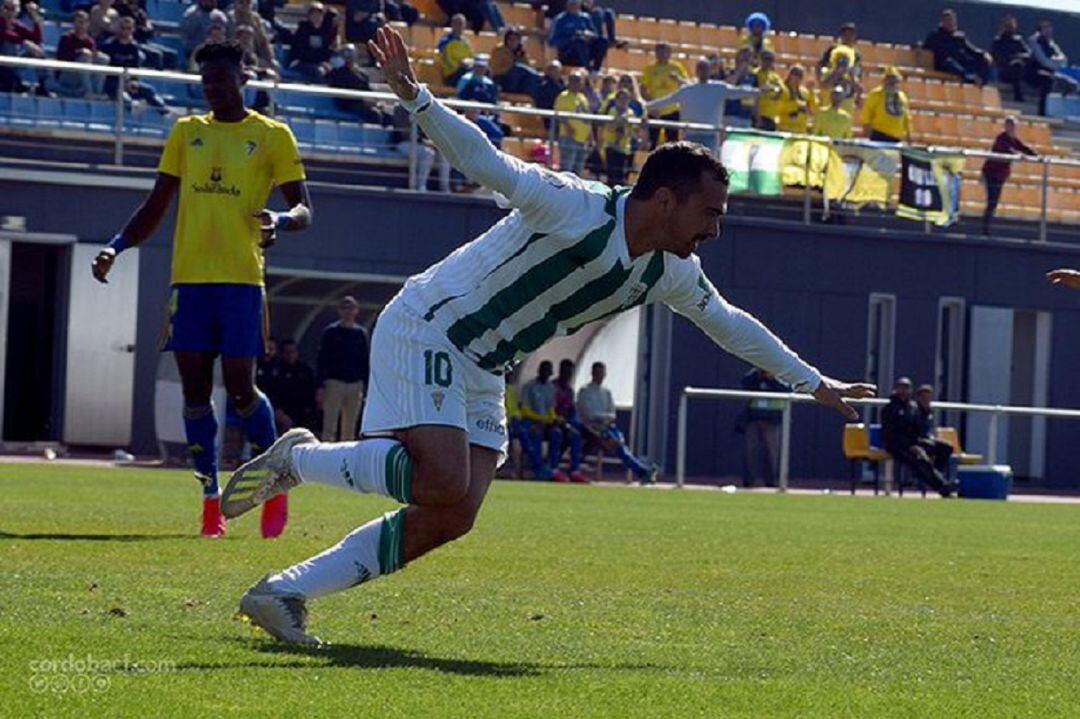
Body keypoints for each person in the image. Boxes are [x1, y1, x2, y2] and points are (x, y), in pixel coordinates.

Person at [221, 27, 875, 645]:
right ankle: (298, 459)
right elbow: (488, 162)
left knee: (453, 512)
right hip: (432, 326)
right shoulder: (576, 205)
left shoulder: (672, 271)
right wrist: (417, 98)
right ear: (667, 200)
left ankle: (282, 594)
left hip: (486, 361)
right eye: (711, 213)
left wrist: (811, 382)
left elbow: (729, 323)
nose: (716, 230)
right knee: (442, 479)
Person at [91, 40, 313, 540]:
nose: (212, 88)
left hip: (241, 280)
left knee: (239, 388)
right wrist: (116, 246)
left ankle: (275, 483)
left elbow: (304, 209)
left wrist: (279, 218)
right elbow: (156, 204)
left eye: (221, 78)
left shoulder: (272, 136)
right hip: (189, 282)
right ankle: (210, 500)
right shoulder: (186, 132)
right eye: (206, 80)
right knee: (194, 393)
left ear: (244, 80)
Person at [645, 57, 757, 152]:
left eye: (706, 69)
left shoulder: (719, 88)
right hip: (690, 135)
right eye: (701, 69)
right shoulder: (687, 90)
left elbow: (740, 92)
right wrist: (646, 106)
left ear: (710, 71)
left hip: (711, 136)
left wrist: (761, 92)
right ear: (696, 71)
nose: (703, 71)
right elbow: (666, 101)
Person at [577, 361, 654, 483]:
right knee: (616, 445)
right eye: (598, 373)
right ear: (592, 373)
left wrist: (605, 418)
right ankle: (643, 471)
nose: (601, 376)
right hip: (590, 428)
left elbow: (612, 413)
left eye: (602, 373)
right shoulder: (585, 391)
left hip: (606, 428)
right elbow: (588, 414)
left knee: (620, 444)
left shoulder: (606, 392)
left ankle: (642, 471)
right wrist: (603, 417)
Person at [880, 378, 955, 497]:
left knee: (946, 448)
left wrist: (925, 412)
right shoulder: (890, 409)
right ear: (896, 389)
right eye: (901, 388)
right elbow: (890, 433)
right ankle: (943, 488)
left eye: (906, 388)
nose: (904, 391)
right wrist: (910, 445)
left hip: (915, 441)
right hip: (897, 445)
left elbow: (921, 429)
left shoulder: (913, 408)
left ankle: (931, 474)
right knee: (921, 459)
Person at [317, 296, 370, 442]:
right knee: (330, 425)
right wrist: (321, 385)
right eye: (345, 308)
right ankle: (326, 456)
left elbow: (365, 360)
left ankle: (346, 459)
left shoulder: (360, 333)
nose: (348, 311)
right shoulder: (331, 332)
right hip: (334, 382)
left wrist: (366, 385)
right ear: (339, 311)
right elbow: (323, 359)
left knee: (350, 427)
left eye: (351, 308)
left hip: (355, 384)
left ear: (357, 311)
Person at [100, 16, 170, 115]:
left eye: (128, 28)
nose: (125, 31)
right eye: (123, 28)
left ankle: (165, 113)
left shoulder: (135, 48)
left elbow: (135, 69)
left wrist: (133, 82)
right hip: (112, 83)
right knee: (124, 98)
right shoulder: (108, 46)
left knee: (149, 90)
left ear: (133, 29)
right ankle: (133, 111)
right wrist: (122, 84)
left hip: (128, 82)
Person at [981, 116, 1036, 235]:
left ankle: (988, 226)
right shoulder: (1001, 138)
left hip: (1000, 175)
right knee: (992, 200)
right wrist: (1019, 155)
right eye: (1010, 125)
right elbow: (1007, 149)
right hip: (992, 173)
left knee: (995, 200)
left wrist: (1035, 156)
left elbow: (1023, 148)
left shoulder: (1014, 140)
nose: (1012, 128)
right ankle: (985, 228)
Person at [739, 367, 790, 488]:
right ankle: (748, 481)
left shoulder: (782, 373)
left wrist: (772, 379)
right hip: (754, 417)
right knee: (750, 451)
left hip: (772, 419)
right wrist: (758, 374)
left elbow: (786, 390)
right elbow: (745, 383)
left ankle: (771, 482)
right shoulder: (755, 374)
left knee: (772, 452)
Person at [519, 360, 567, 481]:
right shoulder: (529, 386)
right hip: (530, 420)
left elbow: (551, 409)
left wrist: (554, 419)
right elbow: (525, 410)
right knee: (535, 433)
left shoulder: (551, 388)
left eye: (548, 370)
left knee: (557, 433)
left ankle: (553, 467)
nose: (546, 373)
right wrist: (541, 420)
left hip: (545, 422)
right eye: (544, 370)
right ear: (539, 370)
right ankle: (538, 468)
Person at [922, 9, 992, 86]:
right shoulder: (935, 35)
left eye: (951, 20)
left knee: (983, 60)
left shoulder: (959, 37)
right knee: (950, 63)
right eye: (947, 21)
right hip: (944, 64)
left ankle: (981, 82)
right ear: (943, 22)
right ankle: (970, 79)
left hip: (960, 63)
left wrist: (983, 54)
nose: (950, 23)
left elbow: (971, 50)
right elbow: (925, 48)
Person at [640, 42, 689, 148]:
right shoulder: (650, 68)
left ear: (669, 52)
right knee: (652, 142)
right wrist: (652, 105)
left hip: (672, 110)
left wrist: (677, 79)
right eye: (659, 51)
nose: (662, 54)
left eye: (664, 51)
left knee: (672, 143)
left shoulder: (677, 67)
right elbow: (643, 89)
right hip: (655, 111)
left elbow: (687, 85)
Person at [53, 9, 110, 99]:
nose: (82, 25)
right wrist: (79, 53)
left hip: (83, 75)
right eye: (79, 22)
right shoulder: (66, 38)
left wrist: (95, 54)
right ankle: (88, 92)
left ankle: (97, 91)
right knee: (85, 56)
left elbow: (92, 57)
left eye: (84, 22)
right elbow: (62, 59)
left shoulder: (89, 41)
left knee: (103, 58)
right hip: (67, 74)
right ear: (74, 23)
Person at [1027, 21, 1079, 117]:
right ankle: (1042, 113)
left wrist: (1055, 62)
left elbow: (1064, 60)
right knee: (1048, 81)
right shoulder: (1035, 42)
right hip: (1036, 72)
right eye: (1045, 30)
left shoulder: (1052, 45)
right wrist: (1055, 62)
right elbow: (1043, 61)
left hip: (1053, 72)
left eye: (1049, 30)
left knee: (1072, 83)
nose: (1048, 32)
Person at [327, 44, 386, 123]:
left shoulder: (361, 74)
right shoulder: (339, 74)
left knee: (388, 115)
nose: (350, 57)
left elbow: (368, 90)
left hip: (365, 101)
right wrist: (363, 101)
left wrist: (375, 101)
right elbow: (343, 93)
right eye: (347, 54)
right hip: (351, 103)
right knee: (374, 114)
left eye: (352, 54)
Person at [270, 340, 319, 432]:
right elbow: (273, 393)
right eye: (287, 352)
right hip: (284, 411)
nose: (290, 355)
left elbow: (313, 388)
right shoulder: (276, 370)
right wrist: (278, 411)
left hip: (304, 410)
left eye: (293, 352)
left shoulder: (305, 369)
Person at [553, 358, 587, 484]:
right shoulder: (553, 387)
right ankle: (553, 469)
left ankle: (574, 471)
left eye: (570, 373)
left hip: (565, 423)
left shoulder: (569, 391)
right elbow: (549, 409)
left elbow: (572, 411)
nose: (568, 375)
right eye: (566, 372)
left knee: (576, 434)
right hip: (551, 422)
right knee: (556, 433)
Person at [0, 0, 44, 94]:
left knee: (38, 52)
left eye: (12, 9)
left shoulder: (16, 25)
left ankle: (43, 85)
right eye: (6, 8)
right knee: (9, 45)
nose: (9, 12)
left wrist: (34, 18)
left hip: (11, 64)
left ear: (18, 11)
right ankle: (12, 82)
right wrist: (24, 42)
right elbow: (5, 34)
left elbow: (36, 40)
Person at [288, 1, 338, 82]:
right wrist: (319, 62)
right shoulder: (303, 30)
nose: (317, 17)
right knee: (319, 72)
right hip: (300, 62)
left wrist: (326, 62)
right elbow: (302, 51)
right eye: (314, 14)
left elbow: (326, 50)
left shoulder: (324, 33)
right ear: (309, 16)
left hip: (318, 63)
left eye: (319, 14)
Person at [549, 0, 605, 72]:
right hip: (568, 52)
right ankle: (586, 68)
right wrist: (572, 38)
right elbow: (552, 41)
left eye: (576, 4)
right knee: (578, 42)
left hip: (586, 49)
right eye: (572, 4)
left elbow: (595, 34)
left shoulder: (585, 17)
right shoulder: (560, 19)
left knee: (602, 41)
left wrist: (589, 35)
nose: (574, 7)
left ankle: (595, 69)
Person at [913, 384, 954, 484]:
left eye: (928, 397)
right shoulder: (913, 410)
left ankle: (937, 473)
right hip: (915, 440)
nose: (926, 400)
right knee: (926, 449)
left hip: (926, 439)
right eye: (924, 397)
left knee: (947, 447)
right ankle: (926, 474)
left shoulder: (928, 411)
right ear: (918, 397)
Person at [860, 66, 911, 144]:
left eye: (896, 81)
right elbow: (867, 114)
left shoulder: (902, 97)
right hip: (879, 136)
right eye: (890, 80)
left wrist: (909, 136)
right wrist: (867, 132)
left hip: (897, 139)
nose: (893, 83)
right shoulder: (876, 94)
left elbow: (907, 118)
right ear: (884, 80)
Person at [554, 69, 590, 175]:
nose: (576, 83)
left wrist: (590, 136)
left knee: (578, 170)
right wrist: (568, 127)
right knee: (567, 169)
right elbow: (559, 115)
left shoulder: (583, 98)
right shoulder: (563, 96)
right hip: (569, 137)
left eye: (578, 81)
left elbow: (588, 117)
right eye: (573, 80)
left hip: (582, 139)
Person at [600, 88, 638, 185]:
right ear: (616, 100)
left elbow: (633, 132)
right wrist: (620, 121)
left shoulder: (631, 113)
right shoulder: (612, 111)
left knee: (622, 176)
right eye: (621, 98)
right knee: (612, 176)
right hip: (611, 147)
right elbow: (610, 127)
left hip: (624, 148)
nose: (623, 101)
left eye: (625, 98)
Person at [991, 16, 1031, 103]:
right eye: (1008, 26)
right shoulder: (998, 41)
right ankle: (1018, 96)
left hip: (1020, 70)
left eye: (1011, 26)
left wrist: (1018, 57)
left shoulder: (1018, 40)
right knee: (1016, 66)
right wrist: (1011, 59)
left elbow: (1028, 54)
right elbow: (996, 58)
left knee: (1019, 65)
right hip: (1005, 72)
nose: (1010, 28)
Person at [491, 27, 540, 97]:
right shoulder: (499, 50)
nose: (512, 42)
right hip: (502, 79)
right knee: (518, 68)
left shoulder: (521, 52)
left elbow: (527, 67)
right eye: (510, 39)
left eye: (515, 39)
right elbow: (495, 69)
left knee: (531, 77)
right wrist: (511, 66)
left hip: (518, 81)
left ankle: (531, 95)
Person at [775, 64, 816, 134]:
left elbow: (813, 109)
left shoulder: (805, 92)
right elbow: (778, 107)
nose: (797, 77)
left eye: (800, 75)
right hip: (785, 128)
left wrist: (811, 92)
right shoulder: (783, 89)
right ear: (790, 75)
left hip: (801, 130)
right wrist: (796, 106)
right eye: (795, 74)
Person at [818, 22, 862, 88]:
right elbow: (820, 65)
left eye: (851, 35)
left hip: (847, 85)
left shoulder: (856, 54)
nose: (848, 37)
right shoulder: (832, 49)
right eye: (846, 34)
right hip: (830, 83)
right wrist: (820, 82)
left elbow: (857, 73)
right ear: (841, 36)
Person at [437, 13, 473, 86]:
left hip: (466, 71)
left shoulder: (466, 43)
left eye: (462, 24)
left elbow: (471, 57)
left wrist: (470, 63)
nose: (460, 27)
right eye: (457, 24)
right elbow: (445, 60)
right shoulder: (445, 42)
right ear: (452, 24)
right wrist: (460, 64)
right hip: (451, 75)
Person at [754, 50, 784, 131]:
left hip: (771, 116)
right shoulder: (755, 74)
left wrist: (774, 92)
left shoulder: (774, 76)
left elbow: (782, 91)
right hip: (758, 115)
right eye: (765, 59)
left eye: (770, 59)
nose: (768, 62)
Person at [437, 0, 503, 34]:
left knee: (491, 4)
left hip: (463, 6)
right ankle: (498, 28)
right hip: (454, 8)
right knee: (484, 4)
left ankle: (501, 28)